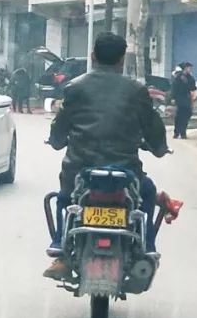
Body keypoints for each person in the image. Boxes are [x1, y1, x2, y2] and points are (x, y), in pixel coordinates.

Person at [44, 32, 170, 280]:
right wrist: (159, 148)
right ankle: (147, 248)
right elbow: (153, 127)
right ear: (122, 60)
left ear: (93, 56)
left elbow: (60, 129)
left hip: (80, 173)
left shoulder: (75, 87)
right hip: (126, 174)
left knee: (64, 198)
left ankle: (60, 245)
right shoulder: (137, 91)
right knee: (147, 192)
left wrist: (57, 141)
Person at [171, 62, 197, 139]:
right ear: (185, 68)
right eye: (189, 68)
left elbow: (193, 87)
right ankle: (176, 132)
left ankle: (183, 133)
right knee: (179, 116)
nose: (190, 69)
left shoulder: (190, 77)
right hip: (179, 98)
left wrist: (195, 87)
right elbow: (174, 88)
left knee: (187, 115)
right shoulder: (178, 77)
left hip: (187, 98)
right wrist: (173, 98)